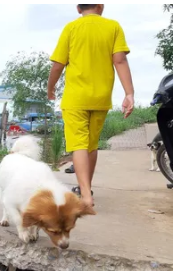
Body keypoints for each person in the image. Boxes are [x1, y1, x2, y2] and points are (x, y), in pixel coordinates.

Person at [47, 4, 134, 208]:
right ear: (101, 6)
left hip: (75, 98)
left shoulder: (71, 28)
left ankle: (85, 194)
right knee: (91, 145)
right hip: (101, 97)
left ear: (78, 8)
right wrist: (129, 93)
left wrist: (50, 88)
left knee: (78, 144)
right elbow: (120, 61)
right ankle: (85, 187)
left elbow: (58, 64)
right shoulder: (113, 27)